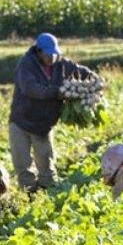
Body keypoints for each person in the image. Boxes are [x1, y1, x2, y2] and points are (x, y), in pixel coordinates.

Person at [9, 32, 97, 191]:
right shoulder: (26, 65)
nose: (52, 58)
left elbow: (80, 71)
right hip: (21, 122)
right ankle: (29, 197)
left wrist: (94, 80)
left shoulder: (60, 64)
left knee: (46, 167)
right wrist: (57, 92)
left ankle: (49, 194)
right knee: (23, 166)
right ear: (39, 52)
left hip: (43, 124)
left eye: (54, 54)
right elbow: (32, 90)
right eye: (48, 55)